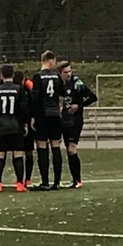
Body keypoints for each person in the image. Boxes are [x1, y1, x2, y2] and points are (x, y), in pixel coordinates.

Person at [0, 65, 29, 193]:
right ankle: (19, 183)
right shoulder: (19, 89)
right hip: (16, 126)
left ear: (1, 75)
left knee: (0, 154)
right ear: (13, 74)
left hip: (1, 126)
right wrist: (24, 124)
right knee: (18, 154)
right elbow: (24, 108)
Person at [58, 60, 97, 188]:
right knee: (68, 150)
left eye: (70, 71)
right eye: (65, 72)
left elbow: (92, 97)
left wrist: (79, 105)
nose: (68, 74)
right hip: (64, 120)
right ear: (60, 73)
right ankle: (74, 180)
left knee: (71, 148)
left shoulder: (76, 83)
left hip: (75, 121)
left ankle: (78, 180)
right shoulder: (58, 84)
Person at [31, 50, 63, 190]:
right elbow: (59, 94)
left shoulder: (38, 76)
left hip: (42, 114)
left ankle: (45, 181)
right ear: (50, 61)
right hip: (55, 114)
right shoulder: (57, 76)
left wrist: (33, 116)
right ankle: (57, 181)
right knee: (56, 146)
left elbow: (35, 97)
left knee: (42, 146)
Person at [13, 70, 34, 186]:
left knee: (17, 153)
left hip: (16, 123)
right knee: (28, 152)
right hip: (26, 123)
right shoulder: (26, 90)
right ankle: (27, 179)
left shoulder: (14, 90)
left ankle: (19, 179)